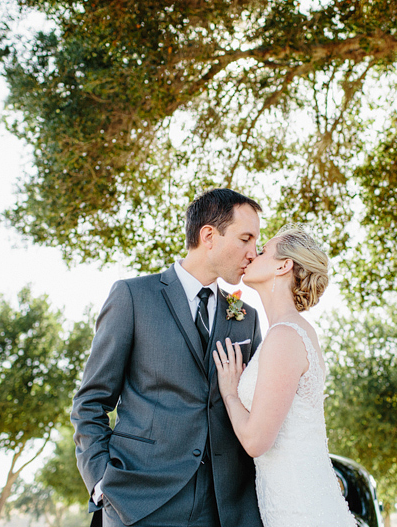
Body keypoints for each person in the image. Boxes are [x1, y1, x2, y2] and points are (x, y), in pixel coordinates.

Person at [71, 188, 265, 527]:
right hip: (139, 502)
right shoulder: (133, 297)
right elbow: (91, 401)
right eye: (246, 238)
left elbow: (259, 406)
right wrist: (102, 483)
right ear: (208, 236)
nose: (254, 252)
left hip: (225, 509)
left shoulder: (246, 316)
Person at [213, 224, 356, 527]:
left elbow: (255, 441)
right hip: (291, 505)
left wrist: (229, 392)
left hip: (301, 510)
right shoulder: (289, 332)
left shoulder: (285, 336)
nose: (252, 255)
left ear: (284, 265)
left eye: (263, 250)